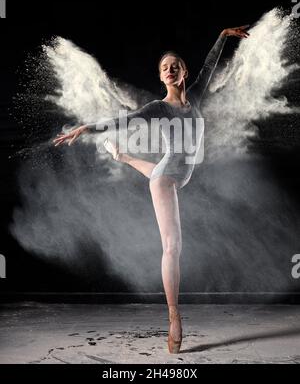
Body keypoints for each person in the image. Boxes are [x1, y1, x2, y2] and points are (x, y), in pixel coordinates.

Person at [53, 25, 249, 353]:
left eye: (176, 66)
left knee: (152, 169)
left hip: (176, 172)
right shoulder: (157, 109)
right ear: (161, 77)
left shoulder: (196, 95)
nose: (170, 70)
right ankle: (174, 317)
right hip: (168, 177)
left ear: (184, 72)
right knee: (173, 246)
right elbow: (123, 121)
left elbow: (210, 65)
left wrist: (223, 35)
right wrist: (87, 128)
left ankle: (122, 155)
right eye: (164, 68)